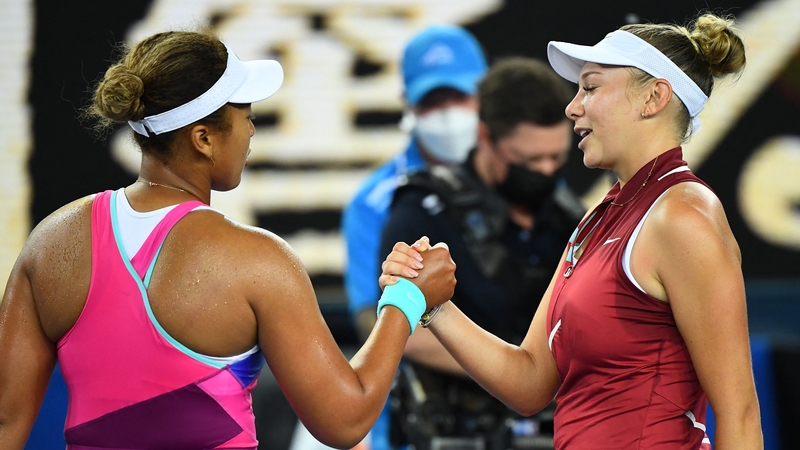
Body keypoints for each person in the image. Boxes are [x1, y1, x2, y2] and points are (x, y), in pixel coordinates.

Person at [0, 30, 457, 450]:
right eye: (245, 115)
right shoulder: (258, 260)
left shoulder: (50, 241)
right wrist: (407, 300)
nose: (252, 129)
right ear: (203, 138)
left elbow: (6, 423)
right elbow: (346, 419)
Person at [382, 13, 763, 450]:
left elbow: (740, 413)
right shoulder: (595, 219)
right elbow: (529, 380)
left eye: (592, 86)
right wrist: (435, 306)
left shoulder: (685, 217)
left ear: (654, 97)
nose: (572, 106)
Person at [379, 58, 583, 449]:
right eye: (529, 161)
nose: (545, 170)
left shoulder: (570, 215)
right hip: (458, 429)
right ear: (486, 137)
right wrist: (521, 374)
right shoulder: (425, 208)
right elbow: (403, 332)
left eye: (556, 159)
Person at [342, 24, 487, 343]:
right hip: (429, 386)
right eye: (433, 100)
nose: (448, 112)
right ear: (408, 102)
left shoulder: (517, 173)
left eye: (460, 96)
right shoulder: (373, 202)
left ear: (485, 94)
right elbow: (371, 317)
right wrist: (509, 370)